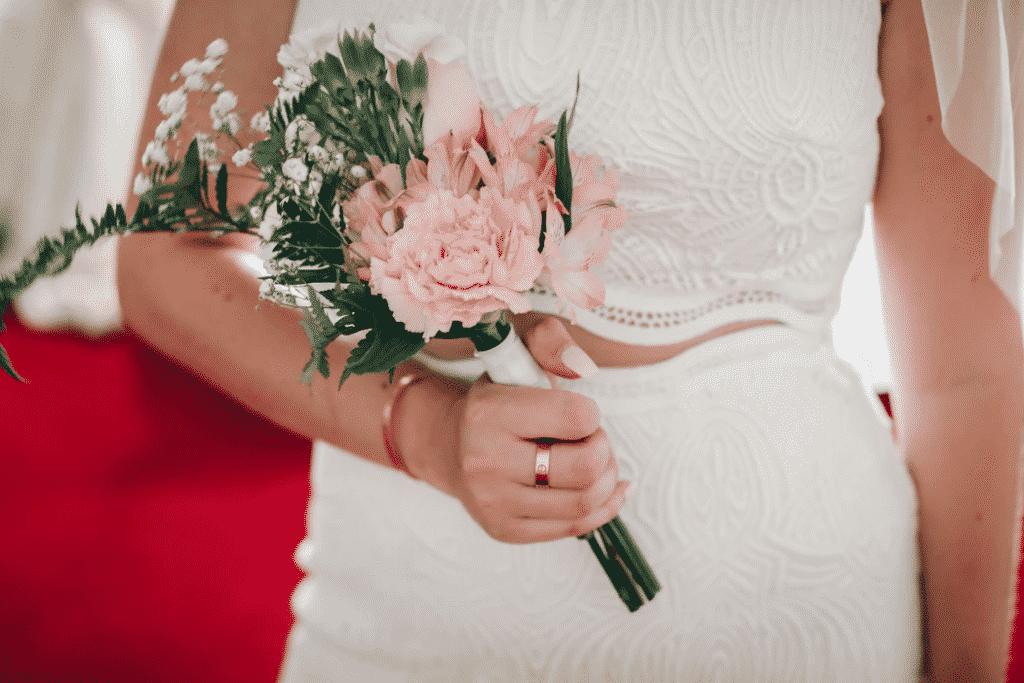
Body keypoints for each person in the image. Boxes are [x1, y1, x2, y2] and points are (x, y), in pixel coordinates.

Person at [116, 0, 1024, 681]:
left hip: (802, 620)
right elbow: (169, 252)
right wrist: (425, 426)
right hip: (416, 619)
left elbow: (963, 371)